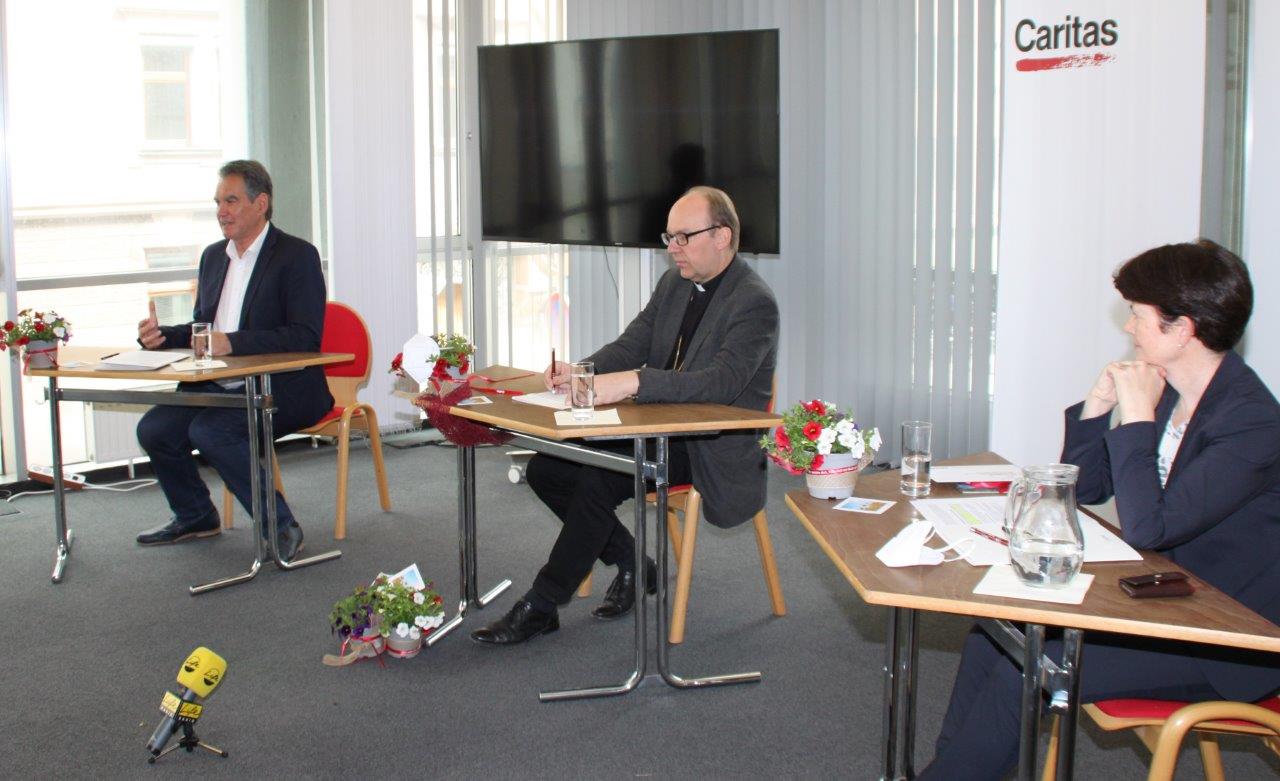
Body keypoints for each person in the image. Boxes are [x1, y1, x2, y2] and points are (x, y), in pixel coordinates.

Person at [918, 240, 1280, 779]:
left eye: (1138, 315)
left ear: (1181, 329)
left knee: (1028, 668)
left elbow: (1148, 525)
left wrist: (1136, 417)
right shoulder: (1178, 393)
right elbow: (1084, 491)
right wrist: (1099, 409)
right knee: (993, 639)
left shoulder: (1250, 422)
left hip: (1228, 640)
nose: (1130, 328)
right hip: (1167, 598)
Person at [471, 186, 779, 645]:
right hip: (653, 425)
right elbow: (633, 344)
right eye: (669, 237)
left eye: (683, 237)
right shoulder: (675, 283)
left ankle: (543, 602)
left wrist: (636, 381)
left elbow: (721, 383)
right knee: (546, 470)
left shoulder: (754, 301)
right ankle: (635, 561)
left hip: (708, 444)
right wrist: (581, 370)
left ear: (722, 236)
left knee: (598, 479)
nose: (671, 249)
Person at [133, 160, 332, 562]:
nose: (221, 211)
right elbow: (205, 328)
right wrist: (162, 337)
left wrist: (232, 344)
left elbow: (305, 336)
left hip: (285, 388)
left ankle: (280, 526)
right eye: (218, 202)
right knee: (155, 428)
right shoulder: (212, 257)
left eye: (231, 200)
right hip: (220, 385)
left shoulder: (296, 256)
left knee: (212, 432)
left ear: (261, 204)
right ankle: (195, 516)